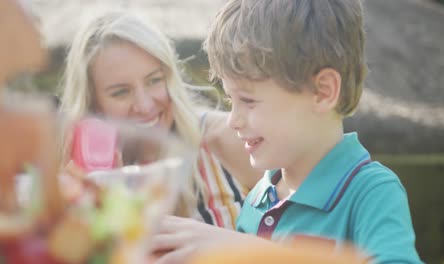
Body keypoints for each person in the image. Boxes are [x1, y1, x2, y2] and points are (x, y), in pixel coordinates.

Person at [151, 0, 423, 263]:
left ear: (322, 91)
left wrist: (249, 251)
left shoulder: (371, 193)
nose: (233, 120)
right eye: (231, 101)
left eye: (249, 100)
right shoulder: (259, 197)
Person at [58, 10, 260, 229]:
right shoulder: (80, 176)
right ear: (93, 104)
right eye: (120, 92)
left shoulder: (229, 139)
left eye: (154, 80)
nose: (145, 106)